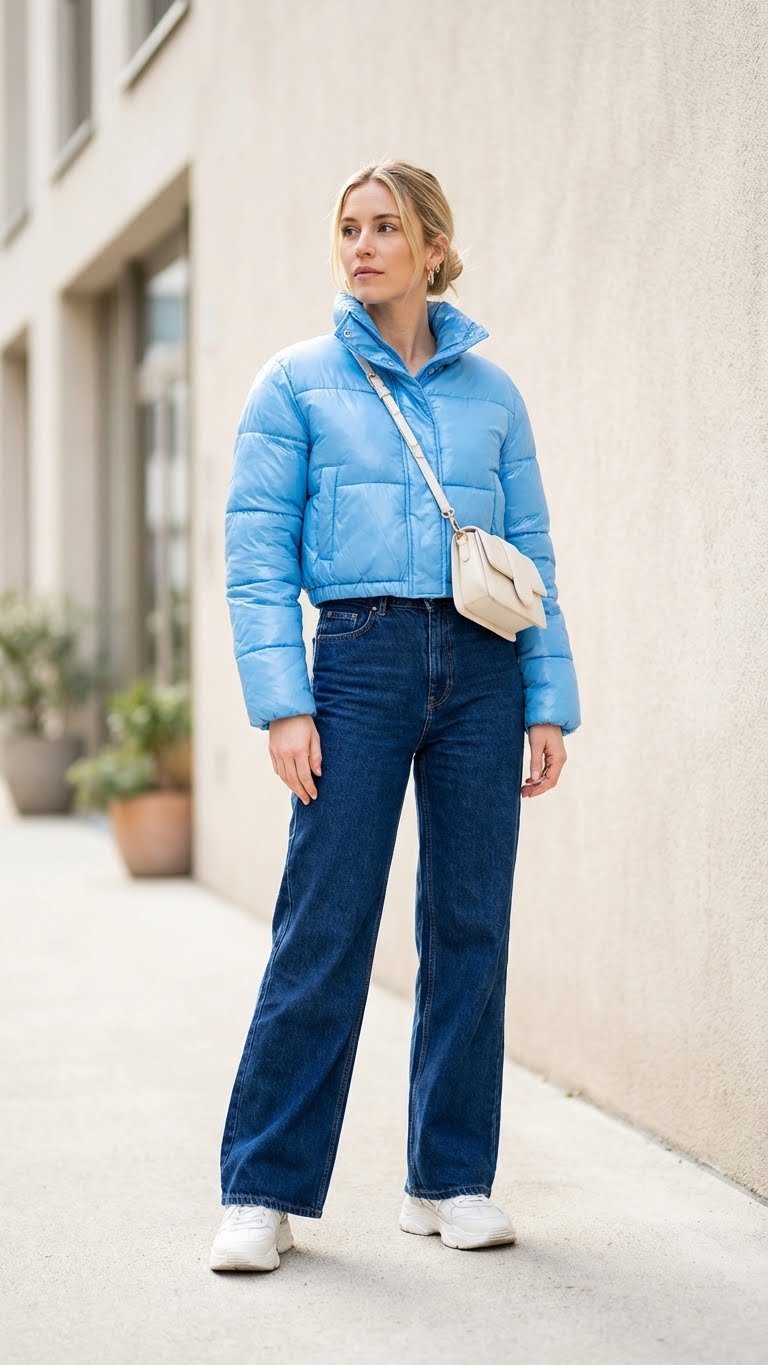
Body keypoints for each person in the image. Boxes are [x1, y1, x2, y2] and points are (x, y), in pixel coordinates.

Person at [210, 159, 581, 1272]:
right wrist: (284, 702)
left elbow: (536, 556)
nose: (363, 246)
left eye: (386, 228)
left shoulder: (493, 395)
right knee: (324, 925)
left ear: (433, 248)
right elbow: (255, 553)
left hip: (481, 668)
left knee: (469, 925)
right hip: (359, 664)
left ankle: (451, 1177)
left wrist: (548, 700)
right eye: (348, 228)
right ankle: (262, 1189)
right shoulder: (295, 383)